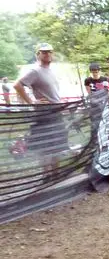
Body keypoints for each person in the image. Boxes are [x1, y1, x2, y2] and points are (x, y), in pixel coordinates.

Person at [14, 43, 65, 176]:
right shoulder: (35, 71)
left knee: (57, 145)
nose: (47, 54)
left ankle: (56, 175)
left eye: (49, 52)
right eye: (44, 52)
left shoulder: (51, 70)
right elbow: (17, 85)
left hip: (56, 112)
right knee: (45, 146)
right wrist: (32, 102)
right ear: (38, 55)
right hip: (44, 114)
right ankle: (46, 176)